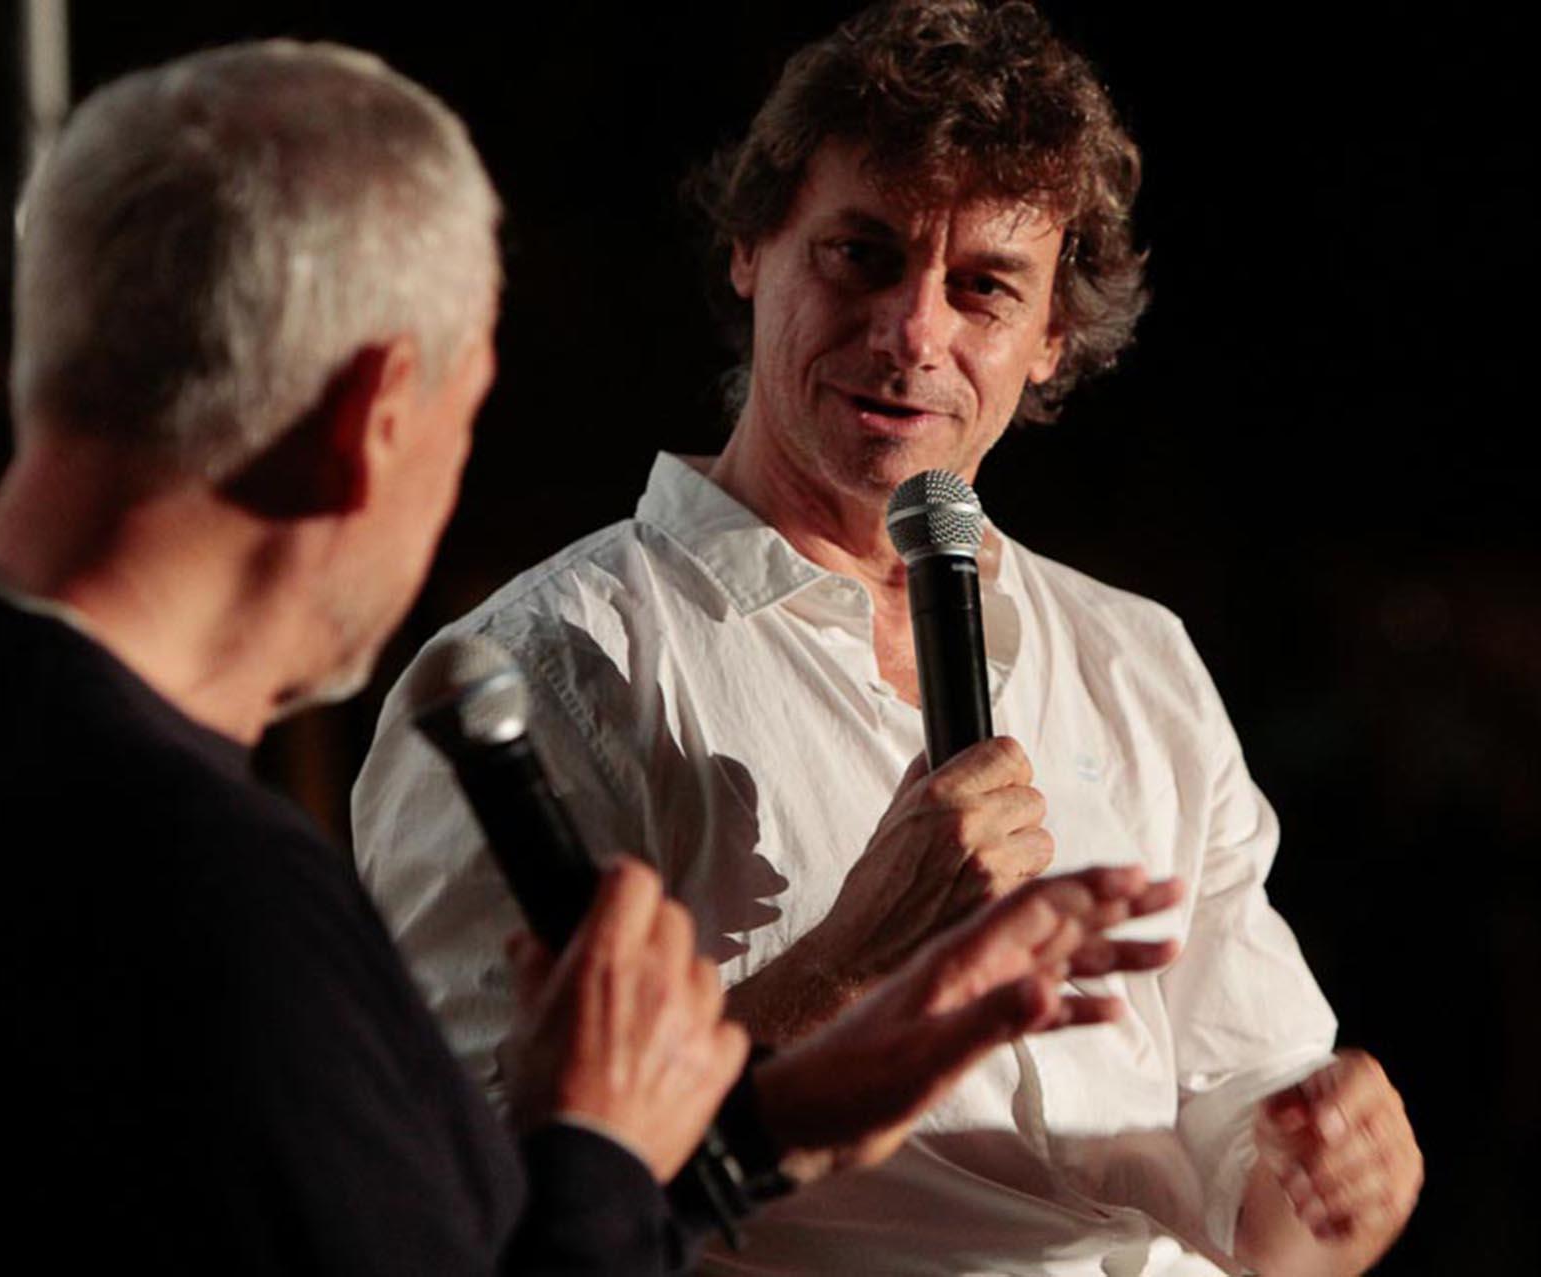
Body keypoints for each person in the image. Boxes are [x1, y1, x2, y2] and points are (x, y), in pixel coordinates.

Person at [0, 39, 1192, 1276]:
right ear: (376, 416)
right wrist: (602, 1130)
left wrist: (761, 1117)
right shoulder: (223, 915)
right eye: (469, 417)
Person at [353, 3, 1423, 1275]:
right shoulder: (547, 670)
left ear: (1050, 340)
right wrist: (855, 956)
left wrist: (1343, 1173)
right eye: (860, 256)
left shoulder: (1133, 658)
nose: (914, 334)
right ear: (750, 250)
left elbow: (1265, 1183)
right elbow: (452, 1200)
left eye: (982, 286)